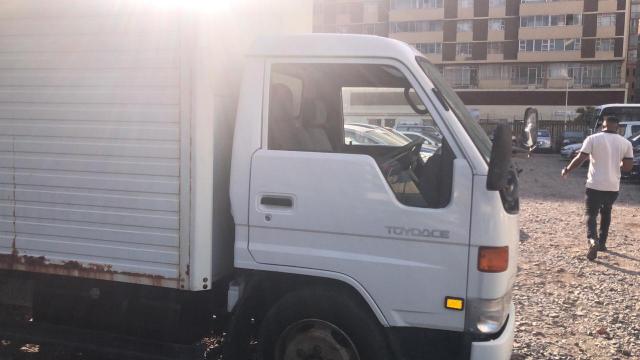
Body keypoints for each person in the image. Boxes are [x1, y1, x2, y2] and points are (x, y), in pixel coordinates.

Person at [561, 116, 634, 261]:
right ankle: (602, 244)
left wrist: (567, 170)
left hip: (594, 185)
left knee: (591, 214)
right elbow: (627, 167)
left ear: (603, 126)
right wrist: (616, 164)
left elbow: (580, 158)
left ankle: (592, 240)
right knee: (606, 212)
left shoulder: (592, 138)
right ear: (618, 127)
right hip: (613, 187)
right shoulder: (626, 143)